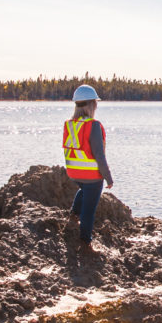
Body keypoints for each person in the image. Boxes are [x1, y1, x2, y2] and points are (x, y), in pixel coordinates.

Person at [63, 84, 113, 253]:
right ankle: (86, 241)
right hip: (91, 175)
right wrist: (108, 177)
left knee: (84, 190)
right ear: (92, 104)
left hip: (73, 172)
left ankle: (73, 215)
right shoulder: (93, 126)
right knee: (89, 210)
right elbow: (99, 155)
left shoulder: (70, 124)